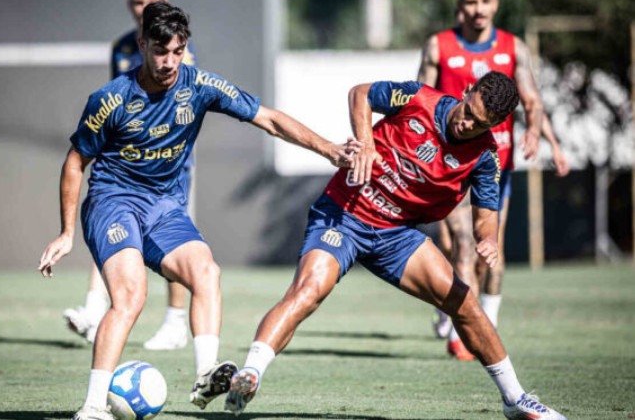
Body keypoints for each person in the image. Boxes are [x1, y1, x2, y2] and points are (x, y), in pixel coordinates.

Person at [38, 0, 354, 420]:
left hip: (164, 206)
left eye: (177, 51)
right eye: (160, 51)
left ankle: (206, 374)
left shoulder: (200, 85)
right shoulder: (110, 99)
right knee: (131, 296)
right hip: (113, 202)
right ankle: (93, 407)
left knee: (206, 272)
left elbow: (270, 119)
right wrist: (65, 232)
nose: (169, 62)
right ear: (142, 45)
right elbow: (75, 161)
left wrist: (329, 148)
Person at [225, 72, 567, 420]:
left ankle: (515, 399)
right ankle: (251, 373)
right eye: (468, 112)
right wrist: (367, 143)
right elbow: (360, 93)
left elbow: (486, 214)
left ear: (495, 124)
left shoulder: (484, 157)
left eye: (480, 124)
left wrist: (488, 239)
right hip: (345, 213)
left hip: (395, 234)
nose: (467, 124)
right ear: (466, 91)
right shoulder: (418, 98)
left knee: (464, 303)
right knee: (310, 289)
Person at [417, 0, 569, 359]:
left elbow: (532, 100)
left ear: (495, 4)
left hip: (494, 168)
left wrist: (538, 134)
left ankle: (483, 320)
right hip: (451, 165)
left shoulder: (512, 47)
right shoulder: (440, 46)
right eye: (471, 2)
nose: (479, 9)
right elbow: (420, 97)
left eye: (485, 1)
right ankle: (461, 335)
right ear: (460, 5)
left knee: (488, 252)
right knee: (459, 245)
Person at [63, 0, 196, 351]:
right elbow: (117, 101)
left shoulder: (178, 48)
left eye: (152, 2)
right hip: (125, 162)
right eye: (139, 3)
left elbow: (180, 102)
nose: (145, 8)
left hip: (169, 165)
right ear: (130, 5)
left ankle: (174, 322)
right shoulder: (122, 46)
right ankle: (94, 308)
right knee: (111, 225)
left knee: (176, 240)